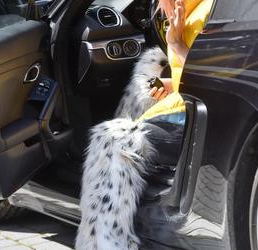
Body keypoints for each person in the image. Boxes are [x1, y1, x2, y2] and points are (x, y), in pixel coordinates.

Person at [75, 0, 213, 249]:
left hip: (195, 115)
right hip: (186, 105)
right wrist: (166, 84)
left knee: (111, 139)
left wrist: (175, 44)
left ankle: (104, 242)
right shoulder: (190, 11)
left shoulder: (204, 13)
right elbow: (192, 75)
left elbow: (210, 77)